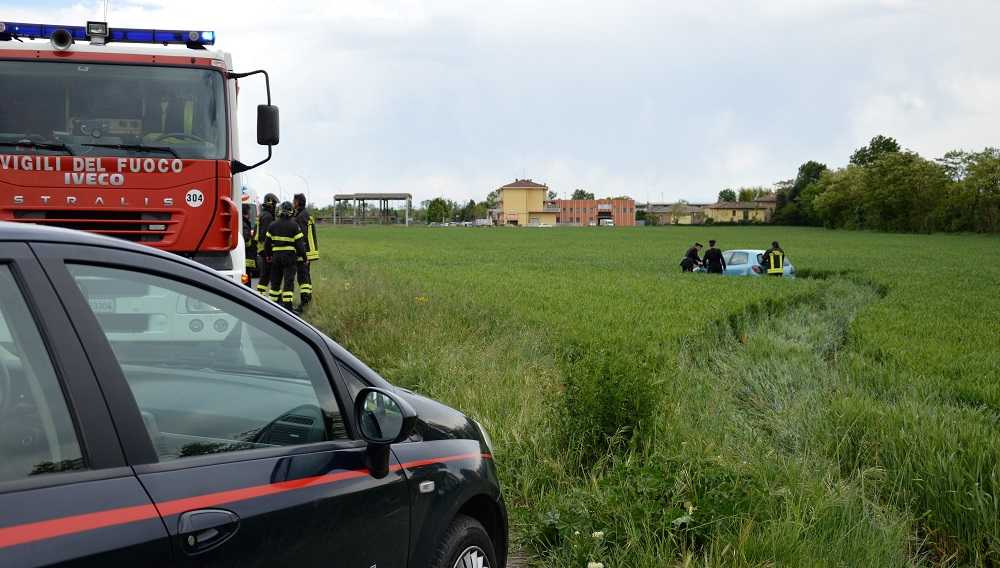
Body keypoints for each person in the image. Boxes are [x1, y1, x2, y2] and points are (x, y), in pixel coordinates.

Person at [263, 201, 306, 311]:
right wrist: (304, 257)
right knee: (288, 283)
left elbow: (266, 244)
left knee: (275, 283)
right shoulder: (294, 226)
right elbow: (300, 245)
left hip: (276, 258)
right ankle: (288, 308)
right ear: (291, 211)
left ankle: (272, 307)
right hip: (289, 258)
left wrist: (268, 256)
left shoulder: (272, 225)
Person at [292, 193, 319, 309]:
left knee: (302, 277)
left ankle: (304, 302)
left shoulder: (301, 216)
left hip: (305, 251)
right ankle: (308, 299)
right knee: (306, 276)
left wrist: (302, 255)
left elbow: (301, 237)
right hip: (308, 251)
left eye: (294, 201)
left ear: (297, 202)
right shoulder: (305, 214)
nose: (292, 203)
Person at [255, 193, 279, 296]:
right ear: (270, 203)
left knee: (266, 273)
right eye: (274, 204)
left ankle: (261, 294)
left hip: (262, 248)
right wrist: (269, 252)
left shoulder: (264, 214)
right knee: (270, 273)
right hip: (266, 249)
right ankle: (271, 296)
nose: (275, 207)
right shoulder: (268, 217)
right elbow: (266, 235)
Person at [241, 204, 257, 286]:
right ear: (247, 212)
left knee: (246, 278)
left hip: (246, 257)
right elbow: (246, 240)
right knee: (246, 279)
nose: (251, 213)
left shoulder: (244, 223)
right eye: (250, 211)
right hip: (246, 256)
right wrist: (252, 239)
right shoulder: (244, 224)